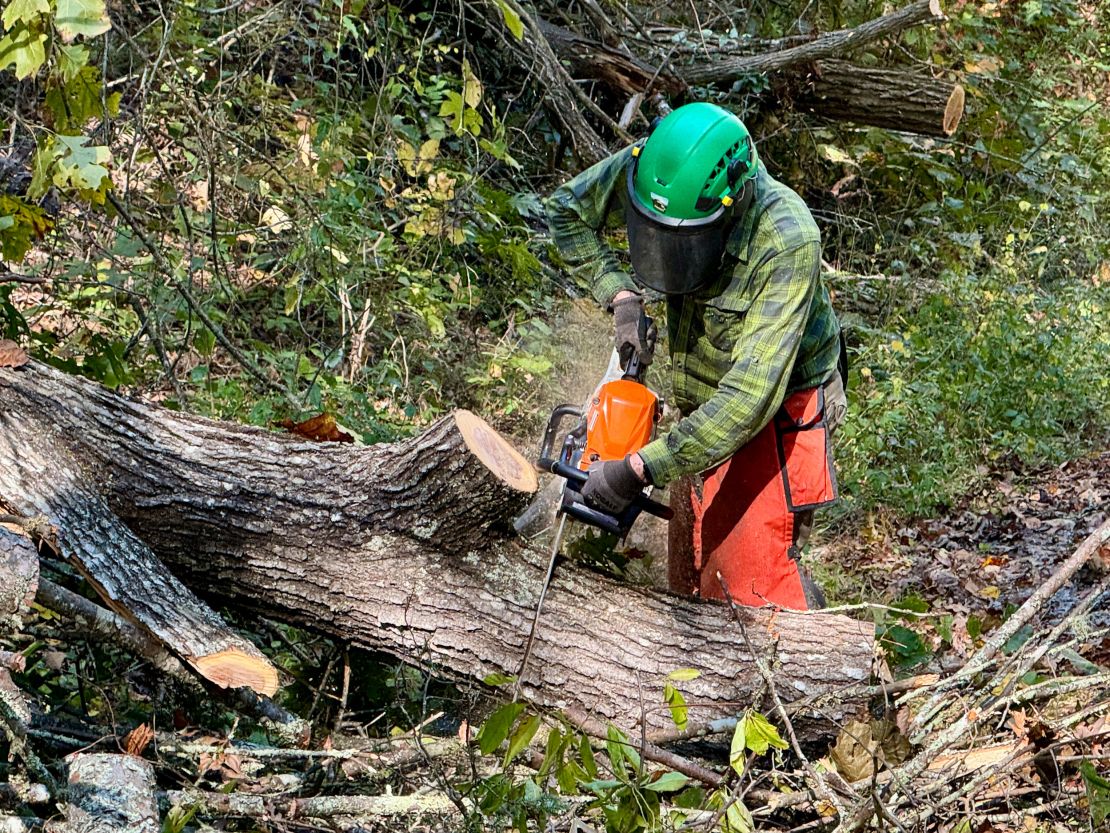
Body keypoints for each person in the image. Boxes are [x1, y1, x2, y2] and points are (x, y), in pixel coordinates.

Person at [545, 102, 847, 610]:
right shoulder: (659, 169)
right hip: (703, 408)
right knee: (690, 578)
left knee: (750, 595)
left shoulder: (787, 240)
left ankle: (811, 668)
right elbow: (565, 210)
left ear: (733, 200)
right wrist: (621, 297)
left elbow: (749, 399)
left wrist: (637, 469)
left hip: (776, 407)